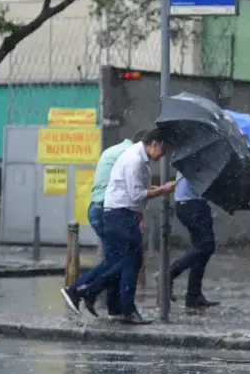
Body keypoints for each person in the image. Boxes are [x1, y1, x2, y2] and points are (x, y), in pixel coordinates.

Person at [60, 128, 176, 325]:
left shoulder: (140, 160)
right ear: (154, 143)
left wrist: (156, 191)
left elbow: (133, 190)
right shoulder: (135, 160)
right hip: (119, 215)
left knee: (121, 261)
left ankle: (103, 300)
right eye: (164, 148)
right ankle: (96, 295)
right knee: (129, 262)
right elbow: (136, 195)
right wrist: (163, 190)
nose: (164, 154)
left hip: (123, 214)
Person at [84, 128, 149, 318]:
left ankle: (114, 307)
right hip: (111, 209)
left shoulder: (115, 150)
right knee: (123, 261)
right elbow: (132, 191)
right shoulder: (130, 156)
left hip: (99, 206)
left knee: (119, 260)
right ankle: (82, 289)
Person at [161, 170, 220, 309]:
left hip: (190, 204)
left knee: (201, 249)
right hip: (193, 205)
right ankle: (170, 273)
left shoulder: (196, 155)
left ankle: (194, 296)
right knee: (206, 247)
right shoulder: (200, 157)